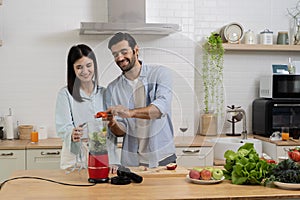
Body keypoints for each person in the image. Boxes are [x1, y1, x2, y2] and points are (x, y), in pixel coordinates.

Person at [105, 32, 176, 168]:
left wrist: (129, 113)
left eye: (124, 52)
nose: (120, 57)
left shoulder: (160, 74)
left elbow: (160, 109)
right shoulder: (112, 88)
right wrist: (112, 123)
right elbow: (121, 131)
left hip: (163, 158)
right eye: (115, 54)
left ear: (136, 50)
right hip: (132, 161)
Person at [55, 44, 119, 170]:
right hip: (76, 155)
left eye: (88, 65)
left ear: (94, 65)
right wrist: (72, 133)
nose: (85, 71)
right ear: (72, 69)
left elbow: (111, 132)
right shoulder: (66, 94)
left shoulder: (105, 93)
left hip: (103, 154)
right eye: (79, 67)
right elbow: (63, 126)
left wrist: (113, 160)